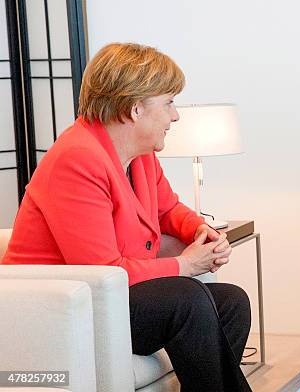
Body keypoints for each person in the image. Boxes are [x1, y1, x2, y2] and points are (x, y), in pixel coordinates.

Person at [3, 43, 251, 391]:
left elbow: (168, 210)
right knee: (186, 299)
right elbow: (102, 268)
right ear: (135, 108)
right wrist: (185, 264)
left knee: (232, 302)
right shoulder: (77, 160)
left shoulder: (140, 153)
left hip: (112, 296)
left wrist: (201, 231)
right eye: (168, 103)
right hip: (62, 306)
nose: (175, 116)